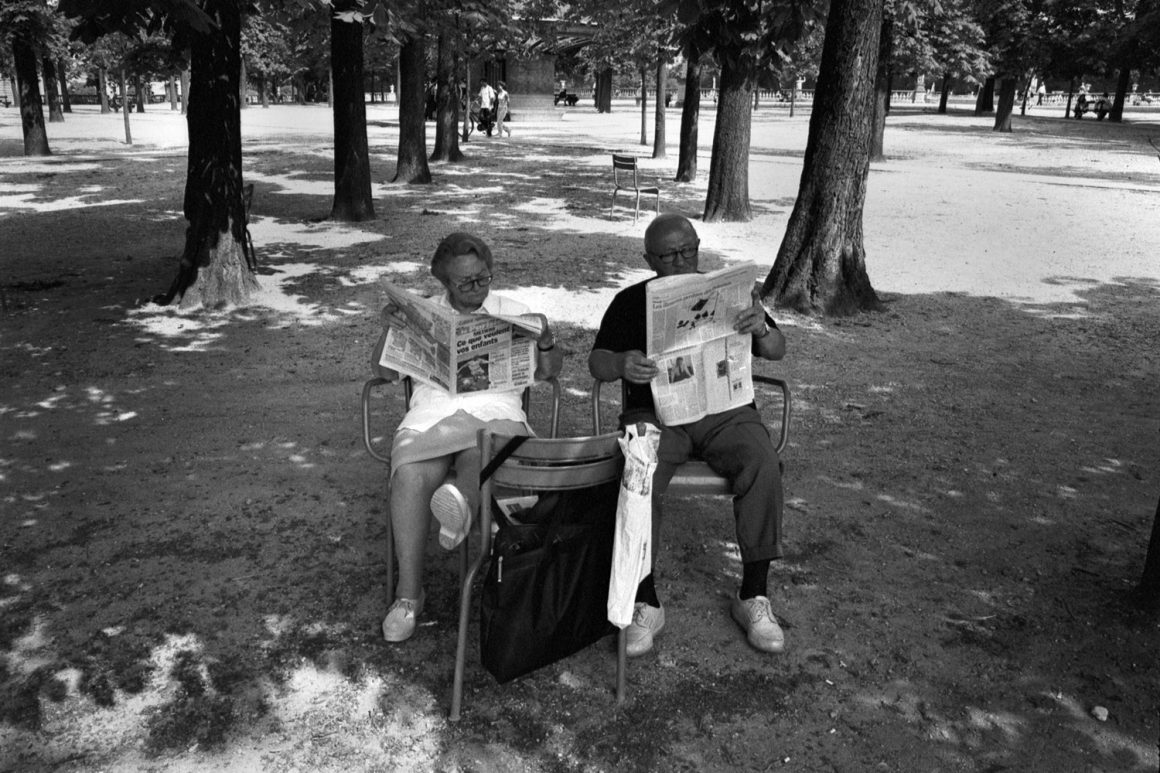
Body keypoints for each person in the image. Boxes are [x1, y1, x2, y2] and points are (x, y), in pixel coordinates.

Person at [588, 213, 789, 656]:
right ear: (648, 259)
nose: (681, 261)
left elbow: (777, 350)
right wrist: (622, 364)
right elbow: (597, 362)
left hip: (725, 410)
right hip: (658, 412)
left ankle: (753, 594)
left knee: (762, 462)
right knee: (639, 471)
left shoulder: (727, 293)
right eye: (669, 255)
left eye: (689, 250)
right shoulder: (629, 302)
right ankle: (645, 600)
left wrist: (762, 327)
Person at [376, 232, 563, 642]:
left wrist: (546, 339)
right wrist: (390, 331)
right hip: (433, 414)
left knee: (482, 446)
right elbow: (387, 374)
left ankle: (459, 502)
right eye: (466, 283)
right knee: (408, 475)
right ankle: (409, 596)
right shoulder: (421, 313)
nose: (477, 288)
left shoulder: (512, 311)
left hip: (495, 411)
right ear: (444, 282)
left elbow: (550, 373)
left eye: (484, 278)